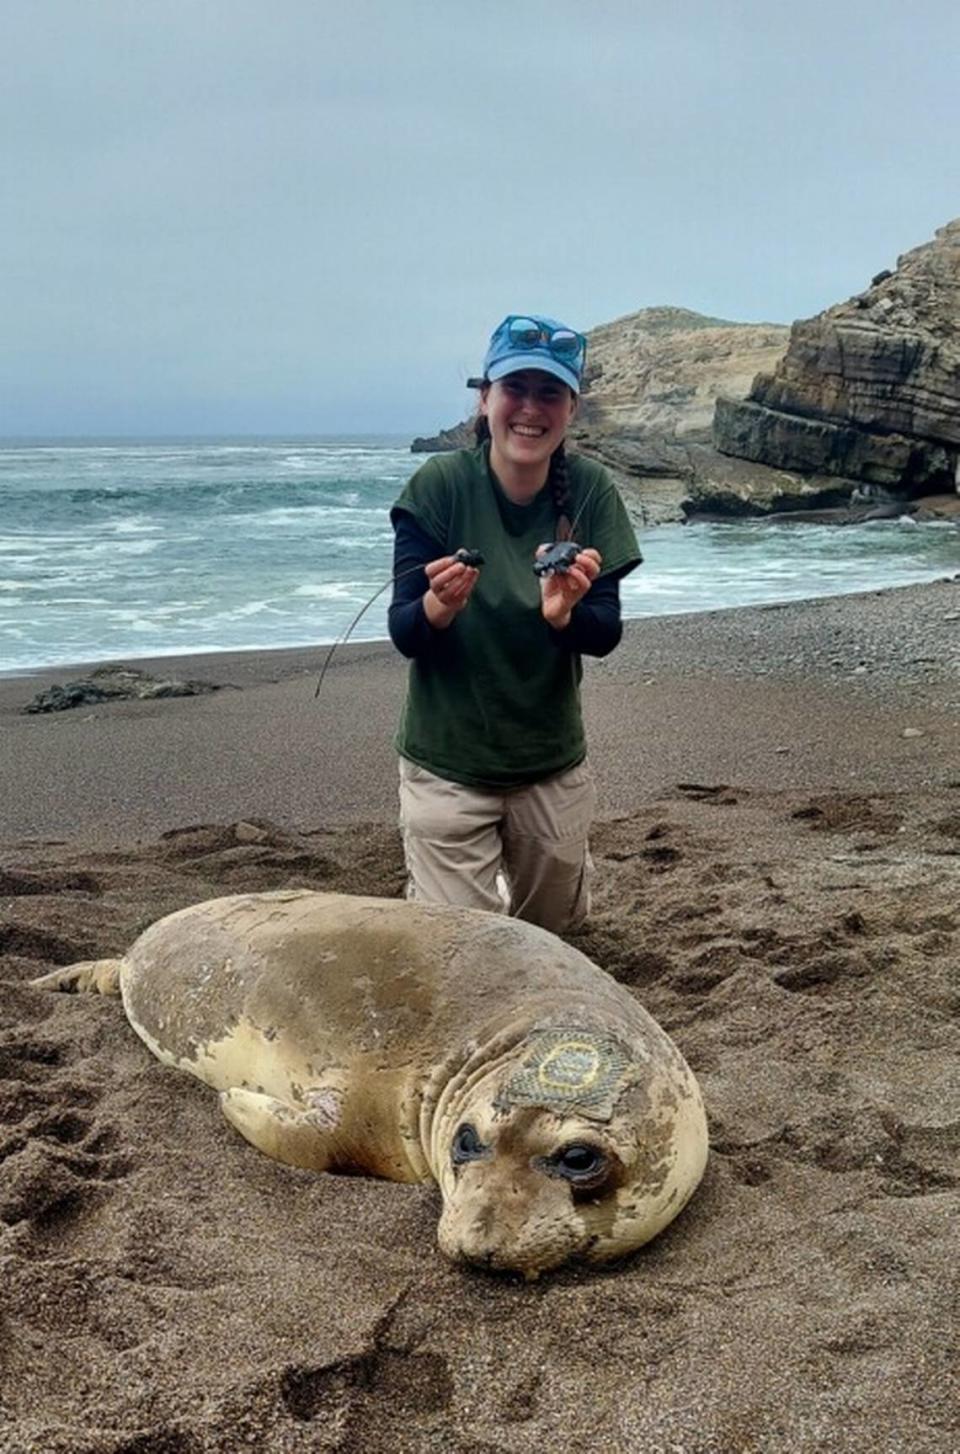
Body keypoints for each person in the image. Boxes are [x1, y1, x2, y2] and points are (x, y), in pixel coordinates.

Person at [387, 313, 642, 934]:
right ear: (485, 398)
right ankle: (439, 886)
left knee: (555, 939)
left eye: (549, 392)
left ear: (571, 408)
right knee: (461, 947)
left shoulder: (588, 490)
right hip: (447, 765)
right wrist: (438, 608)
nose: (531, 409)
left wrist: (564, 617)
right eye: (515, 390)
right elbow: (404, 631)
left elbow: (604, 631)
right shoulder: (439, 485)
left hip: (549, 763)